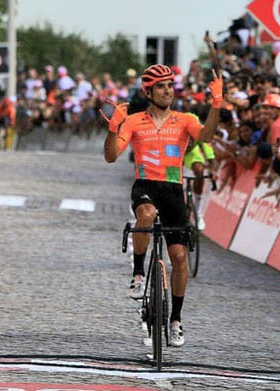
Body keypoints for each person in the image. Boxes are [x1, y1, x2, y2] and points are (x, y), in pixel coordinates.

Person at [103, 64, 222, 347]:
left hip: (172, 189)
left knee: (179, 258)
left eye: (170, 86)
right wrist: (113, 127)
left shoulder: (184, 120)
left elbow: (205, 136)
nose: (168, 91)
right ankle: (138, 273)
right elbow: (110, 156)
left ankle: (176, 319)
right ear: (149, 91)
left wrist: (216, 104)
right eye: (161, 86)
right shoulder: (133, 121)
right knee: (146, 214)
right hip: (145, 185)